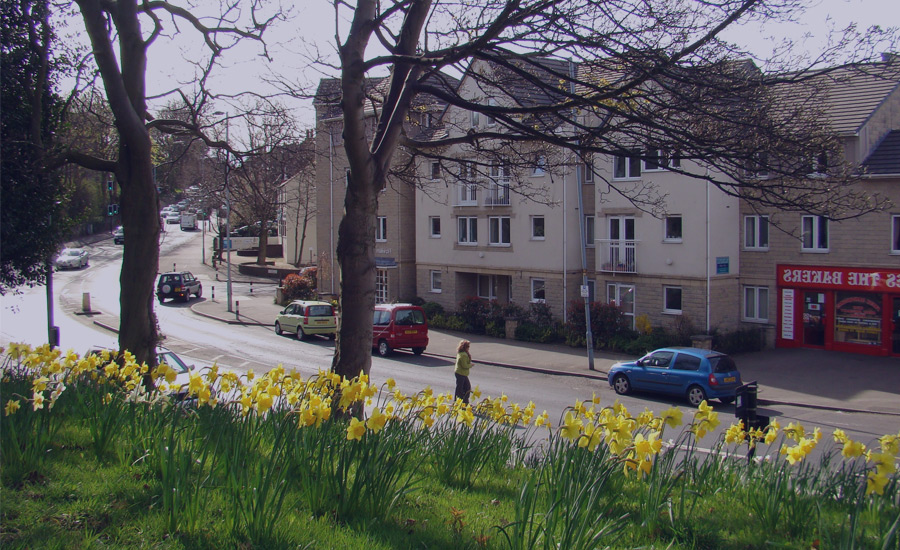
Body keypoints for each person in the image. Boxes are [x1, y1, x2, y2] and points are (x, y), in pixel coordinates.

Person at [454, 339, 473, 404]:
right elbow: (464, 365)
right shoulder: (463, 355)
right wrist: (470, 365)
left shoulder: (461, 353)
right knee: (465, 388)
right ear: (465, 347)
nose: (469, 348)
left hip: (460, 373)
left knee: (461, 388)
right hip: (461, 373)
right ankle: (462, 401)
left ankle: (461, 401)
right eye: (468, 346)